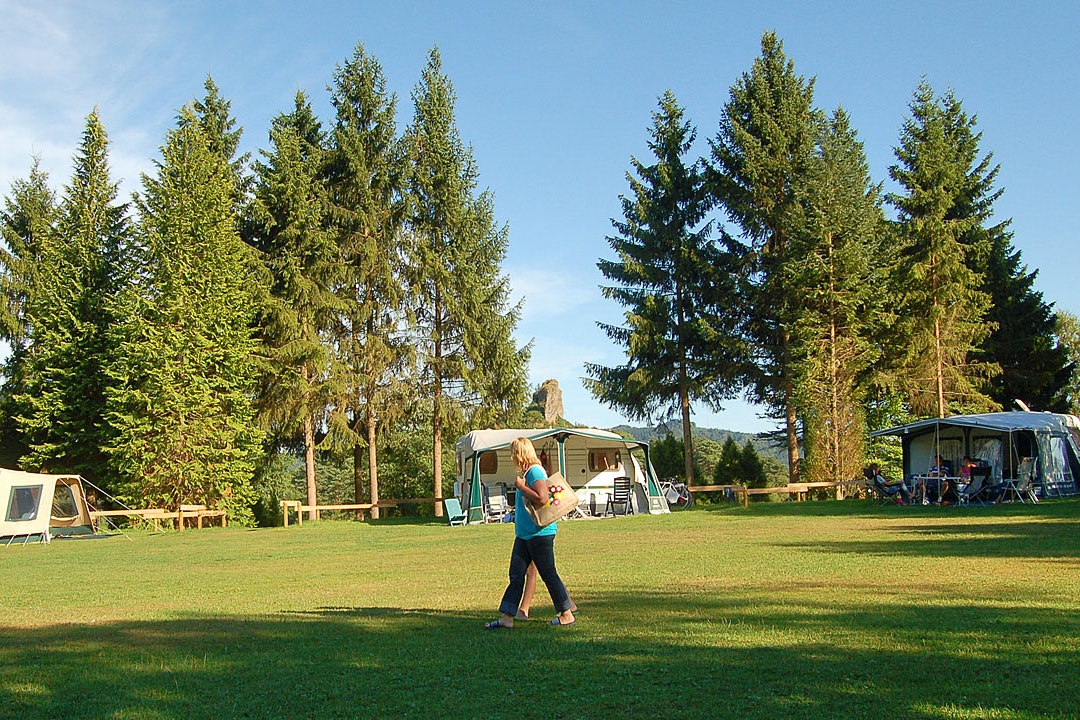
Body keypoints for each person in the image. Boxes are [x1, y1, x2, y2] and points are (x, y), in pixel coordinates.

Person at [486, 436, 576, 629]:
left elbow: (542, 498)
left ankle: (566, 614)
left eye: (514, 453)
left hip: (539, 534)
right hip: (525, 535)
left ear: (520, 453)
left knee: (548, 573)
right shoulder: (528, 472)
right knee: (516, 574)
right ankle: (507, 617)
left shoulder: (535, 472)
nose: (512, 458)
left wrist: (521, 487)